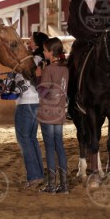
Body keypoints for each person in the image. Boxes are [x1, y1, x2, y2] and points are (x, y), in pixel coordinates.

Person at [14, 31, 49, 189]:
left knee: (24, 138)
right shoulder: (42, 60)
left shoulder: (32, 60)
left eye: (31, 40)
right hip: (37, 102)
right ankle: (38, 174)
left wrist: (11, 85)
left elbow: (22, 81)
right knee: (32, 138)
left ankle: (34, 176)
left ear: (37, 44)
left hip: (26, 102)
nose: (29, 42)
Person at [36, 37, 69, 194]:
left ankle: (51, 185)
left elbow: (43, 92)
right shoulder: (65, 69)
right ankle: (64, 185)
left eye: (45, 50)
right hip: (59, 112)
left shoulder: (48, 69)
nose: (43, 53)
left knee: (50, 148)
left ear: (50, 52)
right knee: (60, 147)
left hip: (48, 113)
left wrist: (38, 76)